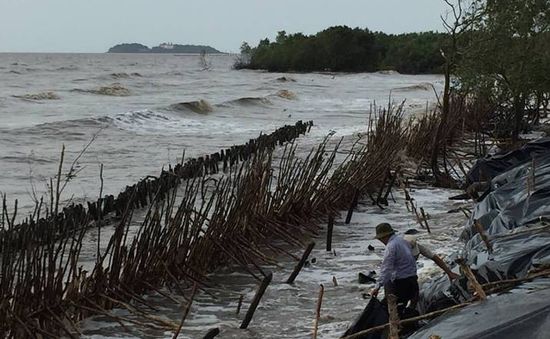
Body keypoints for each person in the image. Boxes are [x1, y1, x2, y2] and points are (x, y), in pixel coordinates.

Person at [370, 223, 419, 312]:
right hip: (412, 279)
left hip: (401, 283)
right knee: (407, 307)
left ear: (384, 237)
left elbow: (386, 269)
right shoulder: (402, 241)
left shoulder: (391, 246)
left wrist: (377, 287)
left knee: (392, 310)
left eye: (380, 239)